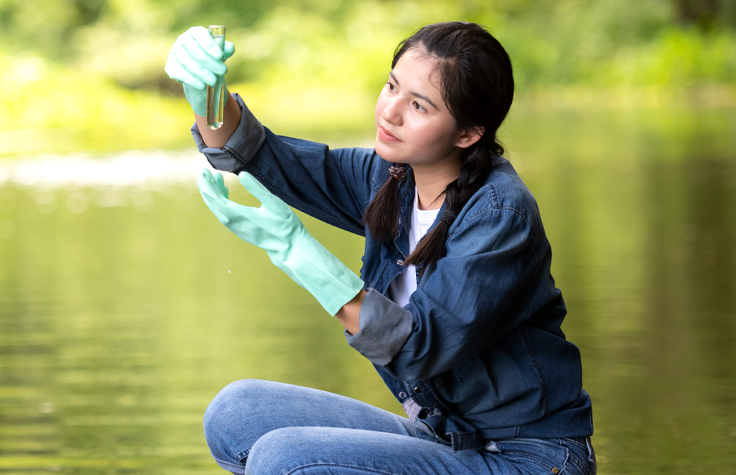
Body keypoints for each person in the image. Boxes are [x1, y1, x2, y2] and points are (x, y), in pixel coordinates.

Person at [165, 21, 596, 475]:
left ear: (468, 134)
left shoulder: (500, 216)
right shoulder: (392, 178)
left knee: (283, 461)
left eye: (418, 105)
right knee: (237, 413)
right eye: (392, 86)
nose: (390, 111)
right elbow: (267, 159)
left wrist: (298, 253)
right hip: (445, 434)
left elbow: (418, 348)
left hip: (528, 458)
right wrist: (209, 97)